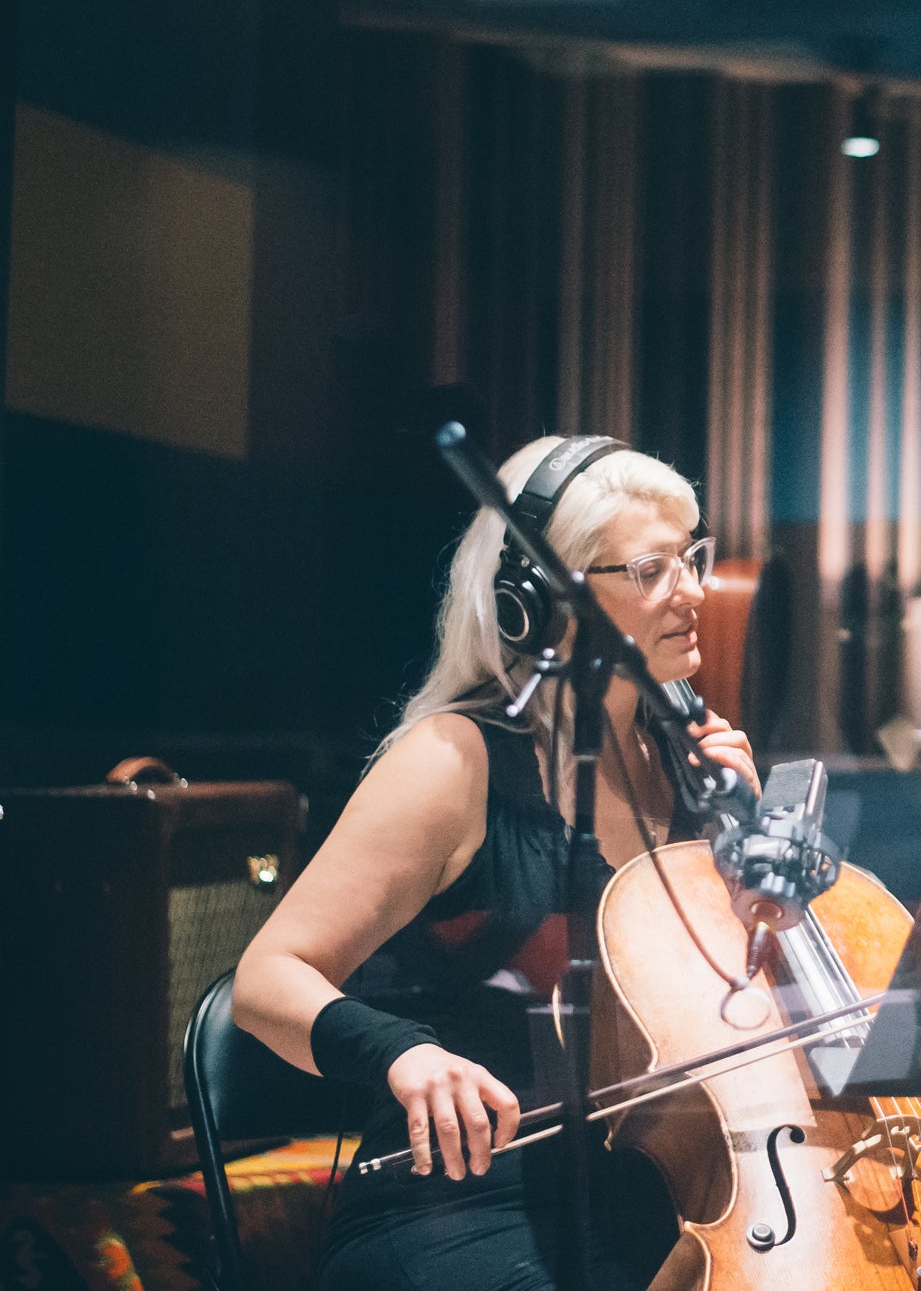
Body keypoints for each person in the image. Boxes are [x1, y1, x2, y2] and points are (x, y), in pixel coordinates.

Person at [232, 436, 759, 1291]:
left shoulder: (691, 764)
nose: (693, 592)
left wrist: (749, 851)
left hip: (656, 1194)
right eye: (652, 568)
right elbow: (267, 978)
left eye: (691, 557)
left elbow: (743, 1011)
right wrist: (405, 1056)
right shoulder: (453, 762)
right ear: (543, 602)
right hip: (468, 1206)